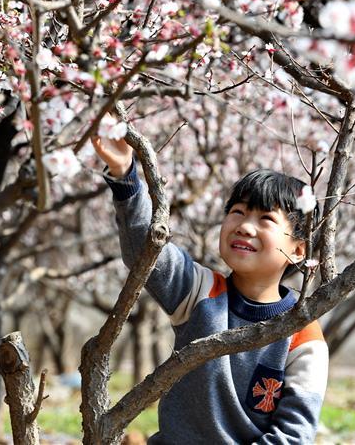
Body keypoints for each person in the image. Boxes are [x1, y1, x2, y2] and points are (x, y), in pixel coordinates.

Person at [92, 133, 329, 445]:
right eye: (238, 212)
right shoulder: (201, 291)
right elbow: (147, 252)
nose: (245, 226)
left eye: (266, 219)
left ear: (298, 250)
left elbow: (293, 436)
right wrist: (126, 177)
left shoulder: (302, 334)